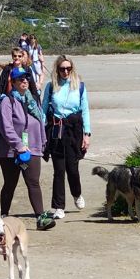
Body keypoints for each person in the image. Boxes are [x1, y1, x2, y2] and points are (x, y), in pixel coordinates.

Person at [0, 66, 56, 231]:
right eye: (20, 79)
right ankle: (4, 216)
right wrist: (19, 146)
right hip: (9, 151)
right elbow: (5, 127)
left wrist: (43, 144)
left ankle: (41, 218)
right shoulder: (7, 101)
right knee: (10, 183)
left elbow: (40, 124)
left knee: (33, 182)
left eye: (26, 78)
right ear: (13, 82)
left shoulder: (33, 101)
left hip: (32, 148)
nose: (24, 81)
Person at [42, 55, 91, 219]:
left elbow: (85, 111)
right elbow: (43, 112)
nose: (65, 71)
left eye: (68, 69)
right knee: (58, 170)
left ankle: (77, 194)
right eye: (62, 69)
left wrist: (87, 134)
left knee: (72, 168)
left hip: (74, 130)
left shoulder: (80, 87)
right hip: (56, 130)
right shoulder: (51, 87)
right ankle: (59, 207)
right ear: (57, 70)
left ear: (72, 69)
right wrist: (42, 134)